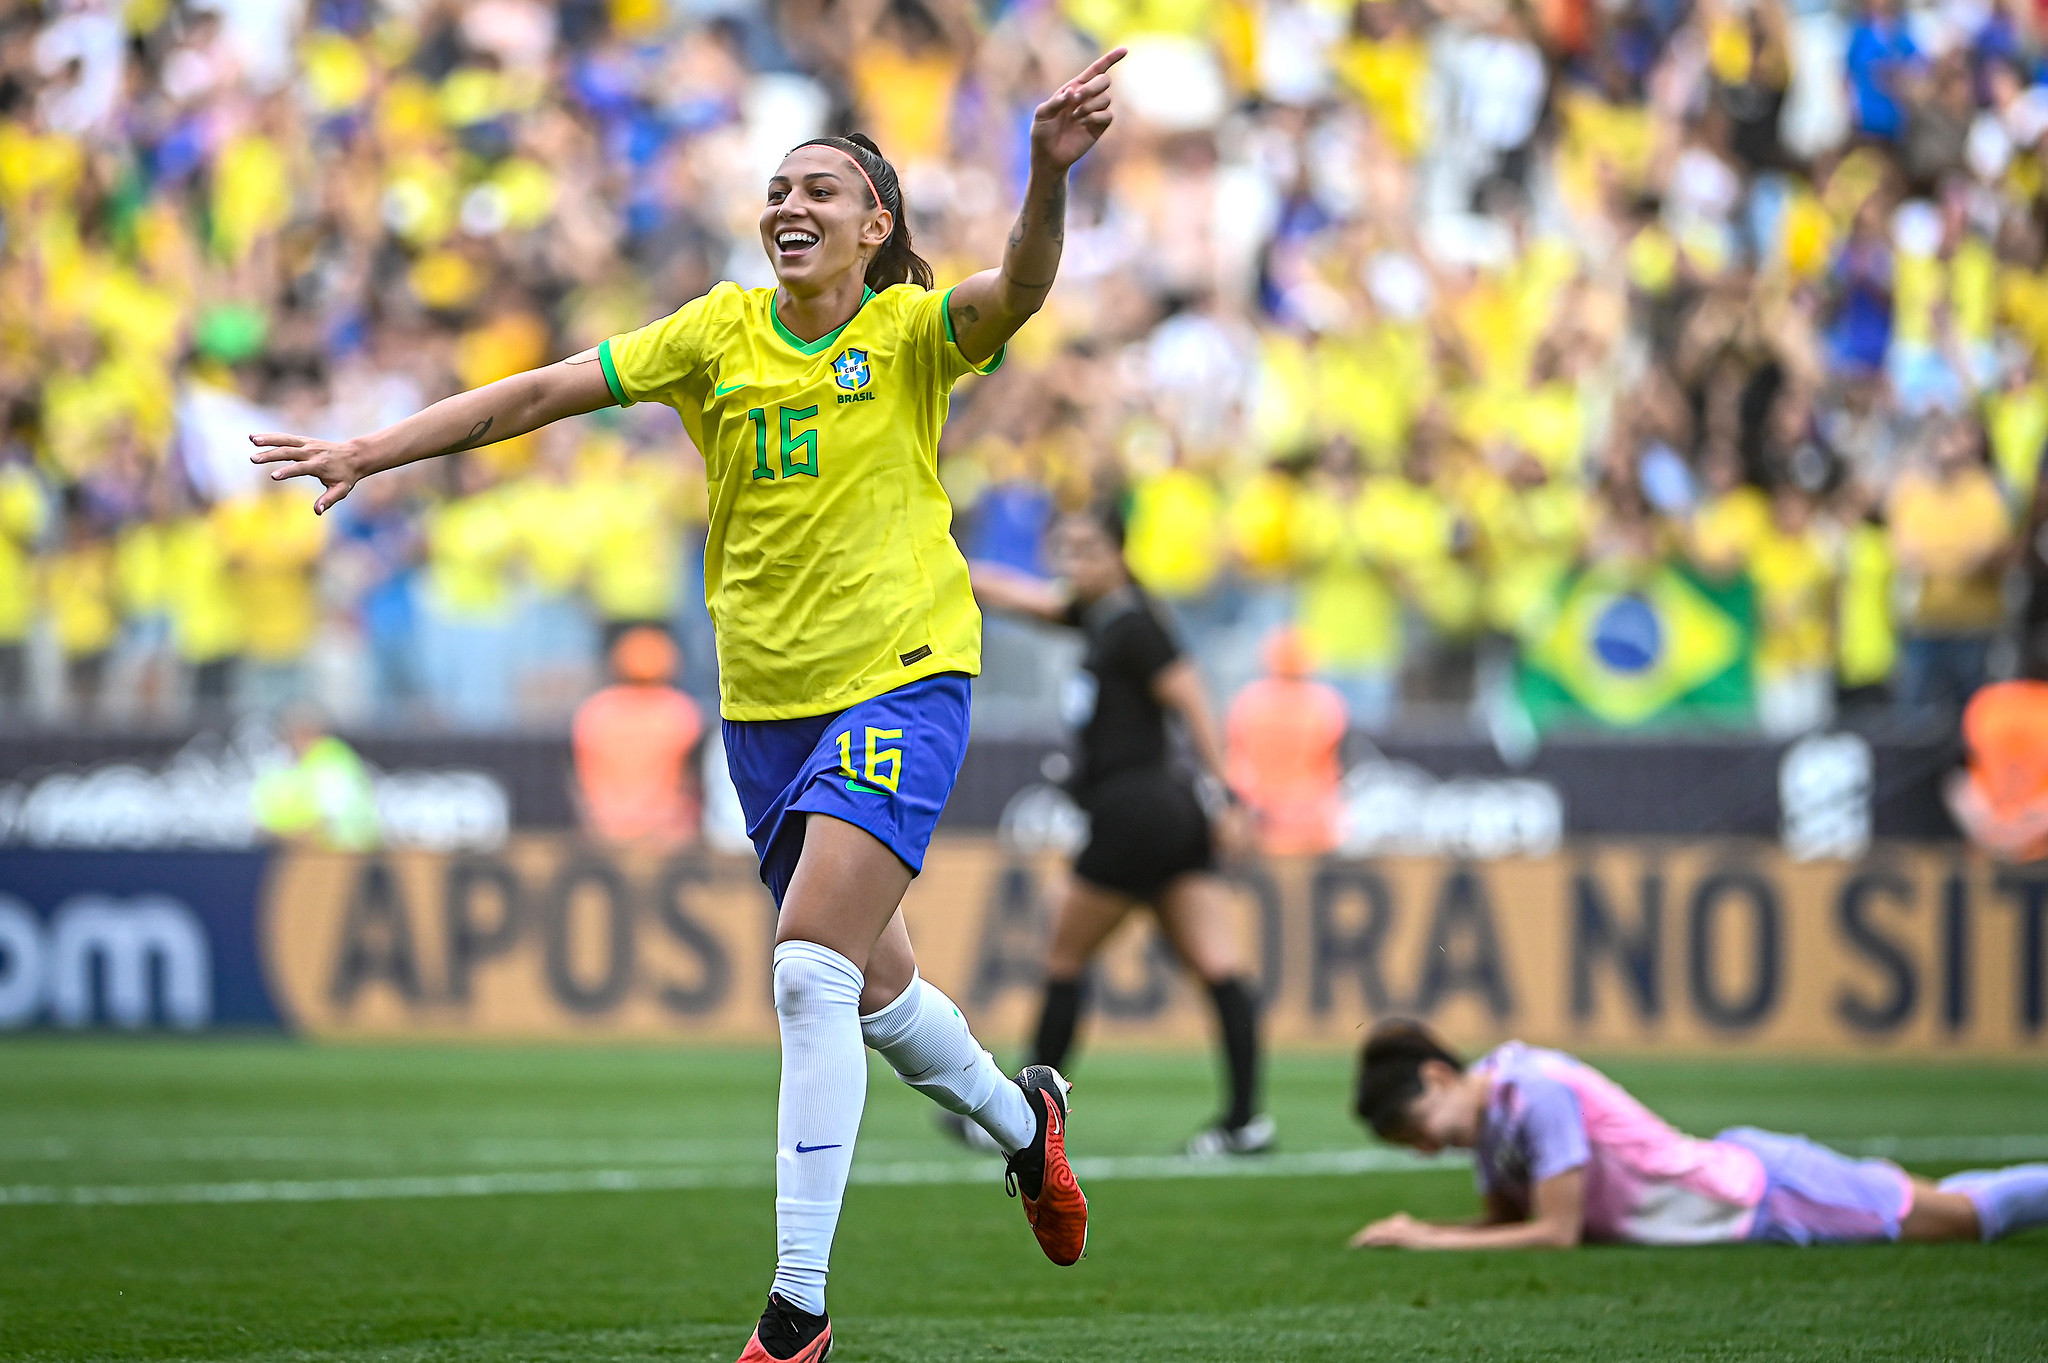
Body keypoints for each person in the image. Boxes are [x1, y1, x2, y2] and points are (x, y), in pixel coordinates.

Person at [248, 50, 1125, 1363]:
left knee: (809, 971)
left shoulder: (909, 333)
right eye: (778, 187)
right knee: (877, 996)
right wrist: (373, 446)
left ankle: (798, 1307)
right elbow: (543, 392)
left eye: (821, 189)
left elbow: (1023, 287)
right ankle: (1024, 1122)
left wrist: (1045, 174)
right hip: (764, 713)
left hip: (904, 672)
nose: (790, 204)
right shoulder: (717, 328)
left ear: (877, 225)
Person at [971, 502, 1275, 1157]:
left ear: (1119, 554)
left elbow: (1193, 698)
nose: (1073, 561)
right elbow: (1023, 597)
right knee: (1217, 964)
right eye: (1066, 549)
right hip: (1165, 816)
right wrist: (942, 563)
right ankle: (1245, 1122)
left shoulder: (1136, 623)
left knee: (1063, 956)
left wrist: (1228, 796)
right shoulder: (1098, 616)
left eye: (1087, 548)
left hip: (1135, 810)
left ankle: (1026, 1119)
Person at [1347, 1019, 2048, 1250]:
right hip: (1744, 1191)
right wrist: (1427, 1227)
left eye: (1418, 1129)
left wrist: (1428, 1238)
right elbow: (1506, 1222)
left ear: (1440, 1076)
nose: (1426, 1149)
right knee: (1944, 1202)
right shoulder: (1494, 1117)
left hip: (1766, 1194)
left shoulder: (1533, 1091)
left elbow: (1556, 1232)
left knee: (1965, 1218)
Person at [573, 626, 705, 846]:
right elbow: (689, 782)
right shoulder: (680, 711)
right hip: (666, 836)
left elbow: (583, 785)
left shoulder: (594, 712)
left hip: (605, 833)